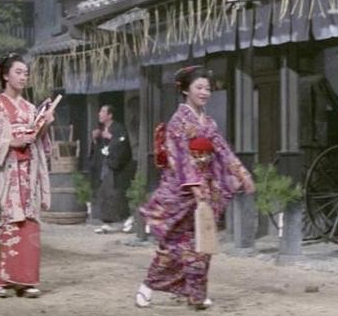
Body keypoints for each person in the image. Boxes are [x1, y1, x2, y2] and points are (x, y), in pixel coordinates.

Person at [135, 65, 256, 310]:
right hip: (181, 191)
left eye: (207, 88)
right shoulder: (178, 121)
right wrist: (194, 185)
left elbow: (222, 150)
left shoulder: (208, 122)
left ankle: (196, 295)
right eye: (199, 87)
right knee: (175, 246)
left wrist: (241, 173)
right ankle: (148, 285)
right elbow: (179, 157)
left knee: (202, 245)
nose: (204, 93)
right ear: (185, 90)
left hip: (205, 188)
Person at [0, 52, 54, 298]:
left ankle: (26, 280)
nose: (23, 77)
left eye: (26, 73)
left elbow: (40, 142)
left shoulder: (30, 108)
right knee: (4, 222)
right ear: (5, 75)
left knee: (28, 224)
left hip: (27, 173)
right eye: (18, 72)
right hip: (6, 172)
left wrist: (45, 125)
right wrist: (12, 141)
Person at [89, 104, 133, 233]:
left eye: (103, 111)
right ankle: (107, 222)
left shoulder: (118, 128)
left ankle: (125, 219)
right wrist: (95, 139)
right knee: (104, 193)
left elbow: (124, 144)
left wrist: (111, 137)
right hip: (104, 165)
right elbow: (99, 149)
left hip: (115, 167)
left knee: (115, 194)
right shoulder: (101, 129)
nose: (100, 114)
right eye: (100, 111)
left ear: (110, 115)